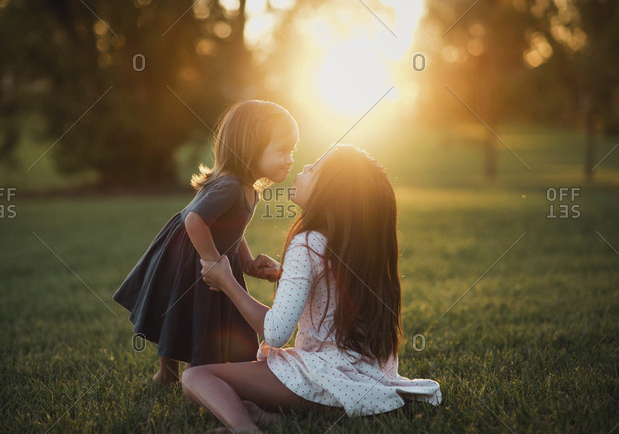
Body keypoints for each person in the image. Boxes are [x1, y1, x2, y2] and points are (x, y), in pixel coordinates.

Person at [185, 145, 442, 433]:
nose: (304, 168)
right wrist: (287, 272)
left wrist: (226, 281)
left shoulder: (306, 243)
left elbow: (275, 333)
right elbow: (338, 282)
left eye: (314, 169)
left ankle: (245, 428)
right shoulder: (358, 246)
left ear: (330, 194)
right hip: (365, 378)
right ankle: (270, 419)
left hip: (318, 380)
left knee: (197, 377)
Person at [113, 100, 299, 385]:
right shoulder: (231, 187)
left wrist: (247, 263)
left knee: (196, 315)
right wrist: (211, 261)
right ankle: (177, 374)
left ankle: (179, 374)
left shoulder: (248, 188)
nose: (290, 159)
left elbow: (230, 230)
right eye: (282, 150)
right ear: (251, 146)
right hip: (192, 256)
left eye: (292, 151)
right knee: (187, 314)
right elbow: (194, 220)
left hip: (208, 255)